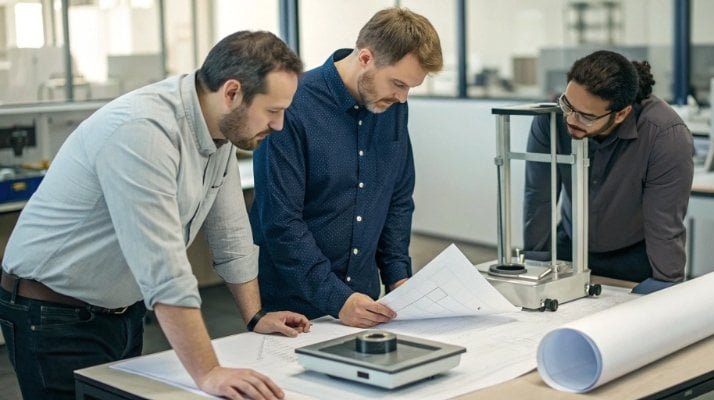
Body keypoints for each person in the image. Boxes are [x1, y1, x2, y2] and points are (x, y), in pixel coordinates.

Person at [0, 31, 311, 400]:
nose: (278, 125)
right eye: (272, 111)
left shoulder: (223, 130)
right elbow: (164, 267)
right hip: (52, 312)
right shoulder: (143, 130)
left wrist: (255, 315)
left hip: (120, 310)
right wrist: (209, 371)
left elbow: (231, 232)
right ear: (232, 93)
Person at [250, 7, 443, 328]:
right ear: (366, 58)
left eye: (410, 87)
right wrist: (337, 298)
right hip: (294, 310)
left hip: (365, 304)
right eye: (397, 83)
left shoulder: (392, 107)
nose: (403, 97)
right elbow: (281, 222)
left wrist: (398, 277)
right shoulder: (292, 106)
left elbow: (396, 199)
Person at [523, 50, 693, 294]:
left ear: (621, 113)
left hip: (633, 255)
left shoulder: (665, 135)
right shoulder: (551, 118)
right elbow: (538, 196)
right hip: (570, 245)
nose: (571, 119)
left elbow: (665, 220)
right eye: (568, 105)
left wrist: (666, 282)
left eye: (586, 117)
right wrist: (535, 263)